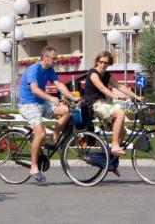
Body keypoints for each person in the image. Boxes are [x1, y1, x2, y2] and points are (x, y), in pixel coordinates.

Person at [19, 46, 75, 184]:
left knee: (66, 111)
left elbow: (59, 84)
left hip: (41, 103)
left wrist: (73, 98)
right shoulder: (34, 69)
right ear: (45, 58)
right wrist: (50, 98)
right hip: (28, 104)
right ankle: (33, 168)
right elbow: (35, 89)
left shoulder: (49, 70)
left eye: (56, 58)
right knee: (41, 134)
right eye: (54, 58)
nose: (56, 60)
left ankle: (53, 138)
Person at [82, 51, 144, 157]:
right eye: (101, 62)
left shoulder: (106, 75)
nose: (103, 65)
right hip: (93, 105)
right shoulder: (93, 73)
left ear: (109, 64)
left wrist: (136, 96)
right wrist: (117, 96)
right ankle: (115, 145)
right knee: (120, 113)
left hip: (104, 105)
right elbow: (101, 87)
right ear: (97, 62)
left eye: (106, 63)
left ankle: (109, 159)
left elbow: (119, 86)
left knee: (122, 132)